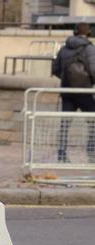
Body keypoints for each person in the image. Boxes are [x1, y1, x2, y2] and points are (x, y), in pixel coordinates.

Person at [52, 22, 95, 163]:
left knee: (65, 125)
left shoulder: (64, 48)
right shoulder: (90, 48)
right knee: (93, 121)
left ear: (75, 32)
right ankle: (92, 152)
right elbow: (94, 70)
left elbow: (55, 69)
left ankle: (62, 155)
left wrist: (67, 79)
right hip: (84, 92)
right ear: (88, 33)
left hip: (67, 91)